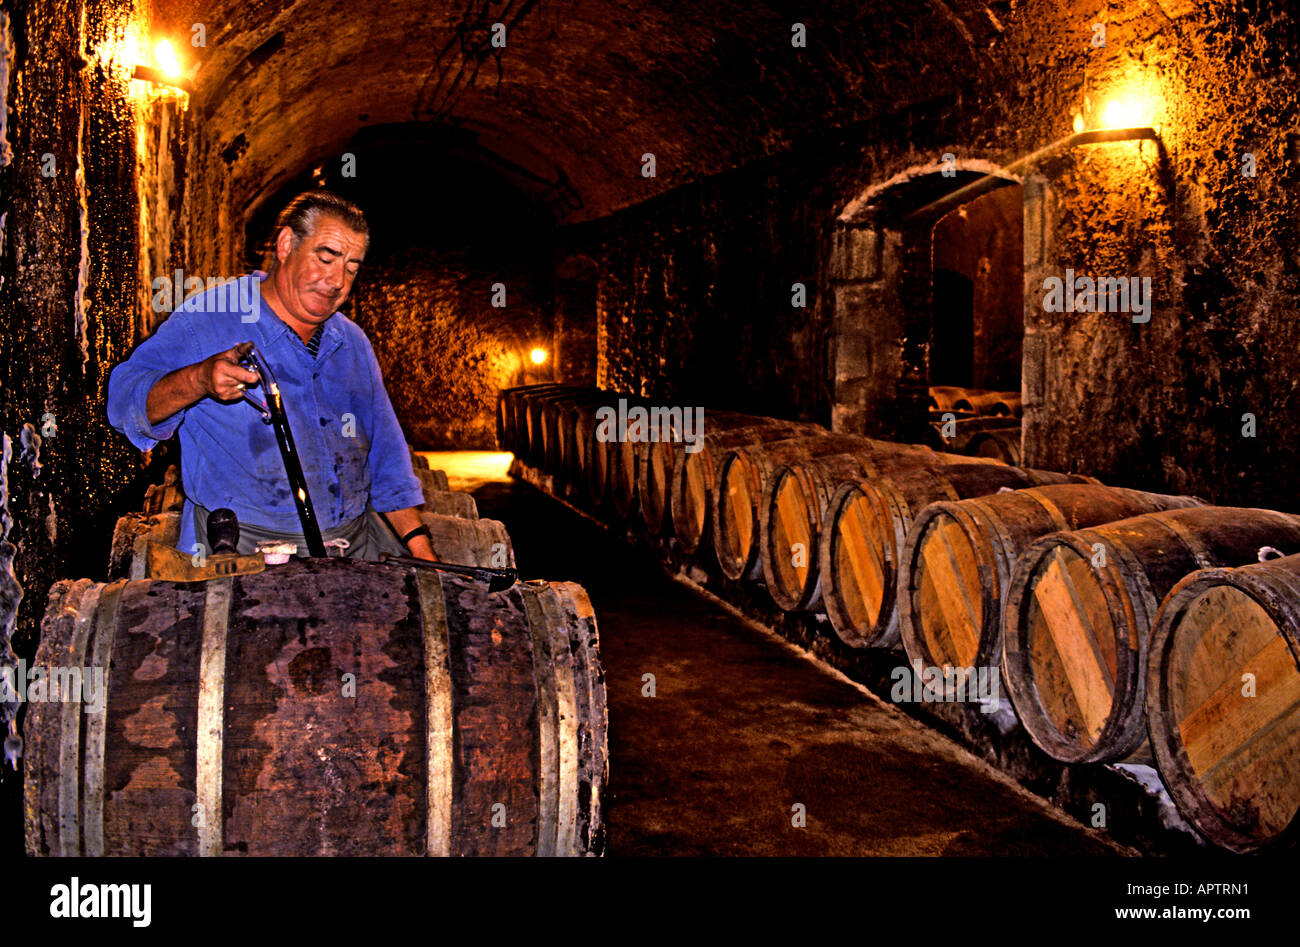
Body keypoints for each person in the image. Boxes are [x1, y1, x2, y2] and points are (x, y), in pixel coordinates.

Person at [107, 190, 435, 562]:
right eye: (326, 258)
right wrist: (198, 380)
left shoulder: (352, 342)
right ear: (285, 245)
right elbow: (125, 403)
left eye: (351, 268)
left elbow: (386, 458)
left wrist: (421, 548)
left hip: (352, 550)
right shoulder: (209, 318)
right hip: (243, 554)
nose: (337, 281)